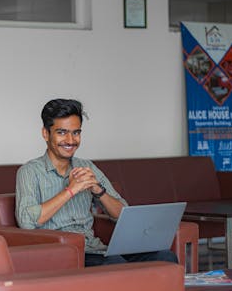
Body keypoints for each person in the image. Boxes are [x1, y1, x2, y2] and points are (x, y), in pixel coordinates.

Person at [15, 98, 178, 267]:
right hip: (61, 253)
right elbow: (26, 221)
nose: (70, 140)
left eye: (76, 132)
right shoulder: (29, 172)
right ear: (45, 134)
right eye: (62, 132)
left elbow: (123, 215)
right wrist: (71, 190)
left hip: (95, 249)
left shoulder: (87, 167)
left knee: (165, 258)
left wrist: (97, 189)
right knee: (115, 265)